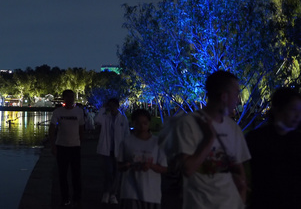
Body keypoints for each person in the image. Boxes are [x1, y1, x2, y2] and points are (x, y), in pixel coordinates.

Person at [173, 70, 251, 209]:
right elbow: (188, 169)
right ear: (224, 97)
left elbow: (239, 170)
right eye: (236, 94)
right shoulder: (189, 124)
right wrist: (209, 139)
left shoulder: (233, 128)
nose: (238, 100)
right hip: (200, 204)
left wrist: (242, 199)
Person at [245, 87, 301, 209]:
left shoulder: (297, 140)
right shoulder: (256, 139)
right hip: (263, 203)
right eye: (293, 110)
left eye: (300, 111)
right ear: (278, 109)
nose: (298, 115)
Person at [118, 109, 167, 209]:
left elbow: (164, 168)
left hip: (151, 193)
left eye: (145, 123)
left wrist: (150, 166)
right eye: (138, 123)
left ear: (149, 123)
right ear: (133, 123)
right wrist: (128, 165)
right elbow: (119, 165)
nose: (142, 126)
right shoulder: (126, 142)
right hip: (130, 192)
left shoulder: (157, 143)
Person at [49, 89, 85, 206]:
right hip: (62, 146)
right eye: (68, 97)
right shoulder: (58, 112)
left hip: (75, 146)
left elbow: (81, 128)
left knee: (76, 174)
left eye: (72, 97)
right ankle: (65, 197)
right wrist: (53, 145)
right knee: (62, 174)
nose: (70, 99)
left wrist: (80, 142)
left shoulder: (79, 112)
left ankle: (77, 197)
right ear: (63, 98)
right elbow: (52, 127)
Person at [94, 98, 130, 204]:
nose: (112, 108)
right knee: (108, 172)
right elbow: (96, 120)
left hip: (118, 150)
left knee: (117, 173)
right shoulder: (105, 118)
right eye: (110, 106)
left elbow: (126, 134)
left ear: (117, 106)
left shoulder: (123, 119)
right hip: (107, 150)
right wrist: (103, 108)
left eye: (114, 106)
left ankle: (113, 194)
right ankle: (106, 193)